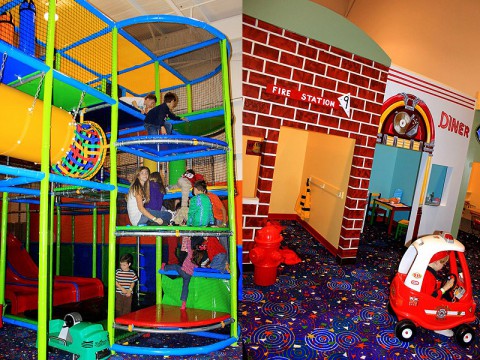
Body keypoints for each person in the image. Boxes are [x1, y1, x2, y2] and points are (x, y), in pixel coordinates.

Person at [420, 251, 456, 337]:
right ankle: (439, 327)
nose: (443, 266)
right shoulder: (429, 277)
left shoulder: (425, 269)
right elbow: (432, 298)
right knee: (446, 306)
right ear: (436, 262)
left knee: (446, 295)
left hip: (422, 297)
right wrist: (445, 288)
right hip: (426, 306)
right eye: (443, 264)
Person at [162, 237, 198, 310]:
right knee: (185, 288)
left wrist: (188, 240)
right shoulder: (197, 261)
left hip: (183, 272)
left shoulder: (190, 255)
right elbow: (196, 267)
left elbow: (188, 248)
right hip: (189, 276)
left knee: (175, 266)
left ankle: (164, 268)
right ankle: (183, 303)